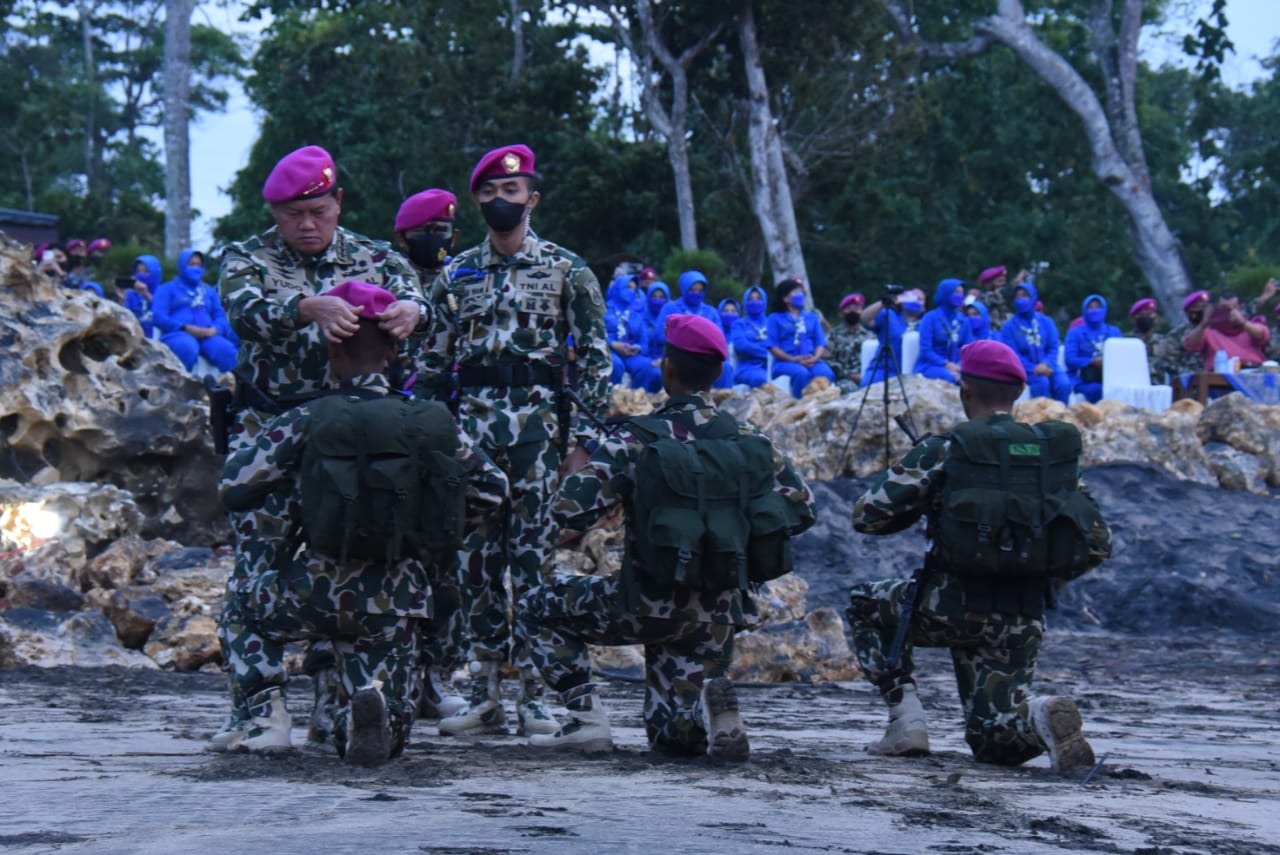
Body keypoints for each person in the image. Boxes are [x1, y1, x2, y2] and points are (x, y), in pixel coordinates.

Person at [216, 280, 508, 762]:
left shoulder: (309, 416)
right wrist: (433, 532)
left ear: (332, 349)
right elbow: (493, 488)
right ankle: (372, 716)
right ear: (394, 351)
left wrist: (296, 495)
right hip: (400, 596)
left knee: (242, 607)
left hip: (318, 584)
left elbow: (235, 485)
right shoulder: (433, 420)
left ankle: (263, 718)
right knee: (384, 700)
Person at [515, 314, 817, 757]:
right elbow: (802, 508)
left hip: (645, 603)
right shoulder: (752, 440)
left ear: (666, 369)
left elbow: (568, 508)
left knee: (535, 608)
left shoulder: (634, 438)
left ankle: (585, 718)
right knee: (672, 739)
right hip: (719, 613)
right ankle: (711, 715)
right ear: (718, 374)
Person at [214, 144, 429, 750]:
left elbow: (422, 301)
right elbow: (243, 312)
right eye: (292, 214)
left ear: (338, 201)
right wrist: (305, 308)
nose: (307, 225)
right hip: (274, 434)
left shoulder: (376, 257)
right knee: (258, 570)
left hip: (359, 441)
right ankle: (260, 714)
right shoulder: (246, 257)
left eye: (318, 210)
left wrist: (415, 310)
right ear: (275, 215)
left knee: (352, 565)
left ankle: (339, 709)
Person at [412, 143, 610, 738]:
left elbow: (595, 361)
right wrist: (431, 441)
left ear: (532, 199)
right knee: (474, 565)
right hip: (471, 441)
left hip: (538, 437)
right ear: (477, 201)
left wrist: (583, 445)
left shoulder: (567, 270)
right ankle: (484, 692)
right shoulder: (456, 274)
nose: (502, 201)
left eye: (512, 192)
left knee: (532, 568)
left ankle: (534, 696)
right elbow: (430, 365)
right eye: (491, 194)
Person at [847, 339, 1111, 773]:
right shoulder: (1049, 458)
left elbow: (867, 516)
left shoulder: (948, 447)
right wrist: (1045, 577)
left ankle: (906, 721)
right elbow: (1098, 542)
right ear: (1019, 393)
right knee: (994, 739)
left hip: (949, 603)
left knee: (864, 602)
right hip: (1022, 615)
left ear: (965, 389)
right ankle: (1038, 715)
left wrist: (931, 504)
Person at [391, 187, 471, 719]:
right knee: (394, 560)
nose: (437, 243)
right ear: (402, 238)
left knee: (448, 565)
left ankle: (436, 677)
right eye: (427, 234)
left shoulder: (464, 285)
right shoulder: (381, 283)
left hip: (446, 444)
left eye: (444, 233)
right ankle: (392, 675)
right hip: (391, 446)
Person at [152, 250, 240, 375]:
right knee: (186, 348)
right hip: (179, 333)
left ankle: (234, 389)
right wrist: (185, 327)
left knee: (226, 350)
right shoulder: (166, 289)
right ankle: (181, 388)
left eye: (199, 265)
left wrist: (215, 329)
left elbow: (220, 315)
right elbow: (158, 316)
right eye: (191, 264)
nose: (195, 268)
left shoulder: (209, 291)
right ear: (182, 265)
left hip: (208, 334)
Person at [657, 269, 731, 389]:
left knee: (725, 368)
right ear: (684, 289)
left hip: (706, 356)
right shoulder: (671, 308)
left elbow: (720, 338)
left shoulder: (710, 311)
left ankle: (723, 399)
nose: (696, 293)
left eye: (700, 290)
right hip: (680, 354)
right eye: (692, 289)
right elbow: (660, 334)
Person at [1000, 280, 1071, 404]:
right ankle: (1040, 420)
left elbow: (1053, 347)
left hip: (1049, 366)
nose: (1021, 299)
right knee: (1041, 383)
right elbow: (1012, 353)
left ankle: (1061, 418)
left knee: (1063, 384)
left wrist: (1046, 364)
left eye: (1025, 295)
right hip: (1025, 370)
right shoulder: (1008, 327)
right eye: (1018, 296)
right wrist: (1033, 368)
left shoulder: (1046, 322)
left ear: (1033, 298)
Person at [768, 277, 835, 398]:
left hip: (812, 360)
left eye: (802, 292)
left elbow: (820, 343)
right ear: (785, 298)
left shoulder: (812, 317)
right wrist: (792, 359)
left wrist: (815, 358)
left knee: (825, 373)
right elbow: (772, 346)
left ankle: (823, 406)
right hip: (786, 361)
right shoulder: (775, 318)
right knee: (801, 374)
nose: (801, 294)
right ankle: (799, 407)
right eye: (797, 292)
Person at [1181, 290, 1270, 371]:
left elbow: (1262, 335)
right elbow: (1191, 345)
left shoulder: (1251, 325)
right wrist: (1203, 324)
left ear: (1241, 307)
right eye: (1223, 308)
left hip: (1252, 371)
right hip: (1221, 376)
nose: (1226, 312)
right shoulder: (1208, 330)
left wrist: (1243, 322)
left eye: (1231, 309)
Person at [1063, 294, 1121, 403]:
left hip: (1109, 377)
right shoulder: (1075, 333)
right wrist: (1091, 362)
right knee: (1095, 389)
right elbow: (1070, 359)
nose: (1094, 310)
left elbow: (1120, 356)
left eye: (1098, 307)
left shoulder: (1114, 332)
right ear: (1084, 310)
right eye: (1090, 307)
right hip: (1082, 379)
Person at [914, 278, 972, 385]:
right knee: (951, 379)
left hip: (958, 365)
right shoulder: (930, 318)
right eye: (956, 292)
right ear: (946, 293)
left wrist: (959, 366)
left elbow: (968, 349)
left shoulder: (964, 321)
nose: (960, 296)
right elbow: (926, 350)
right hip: (930, 365)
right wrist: (946, 365)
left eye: (962, 293)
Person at [623, 281, 670, 393]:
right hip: (644, 357)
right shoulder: (639, 317)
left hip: (664, 359)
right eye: (654, 296)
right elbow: (640, 341)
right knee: (651, 372)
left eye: (662, 297)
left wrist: (663, 360)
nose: (657, 300)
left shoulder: (671, 318)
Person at [859, 288, 909, 386]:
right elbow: (864, 319)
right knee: (867, 386)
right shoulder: (889, 315)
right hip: (883, 368)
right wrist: (884, 302)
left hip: (909, 370)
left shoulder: (927, 321)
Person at [826, 293, 873, 393]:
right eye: (849, 309)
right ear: (841, 313)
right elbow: (828, 361)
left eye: (857, 309)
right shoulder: (833, 336)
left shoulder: (870, 336)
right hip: (845, 380)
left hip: (868, 376)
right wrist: (849, 375)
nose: (853, 312)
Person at [728, 285, 772, 389]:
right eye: (751, 299)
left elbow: (778, 344)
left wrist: (754, 348)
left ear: (764, 301)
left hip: (771, 366)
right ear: (745, 302)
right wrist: (767, 354)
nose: (755, 302)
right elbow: (742, 346)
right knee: (762, 379)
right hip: (747, 368)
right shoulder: (738, 324)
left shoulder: (772, 323)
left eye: (759, 298)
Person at [605, 274, 642, 384]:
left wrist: (637, 348)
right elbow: (596, 334)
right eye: (628, 287)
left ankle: (639, 399)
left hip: (630, 354)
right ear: (618, 288)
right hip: (608, 351)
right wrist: (612, 344)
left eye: (634, 289)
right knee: (616, 365)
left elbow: (643, 342)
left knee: (647, 368)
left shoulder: (636, 315)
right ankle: (610, 398)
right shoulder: (604, 310)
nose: (631, 291)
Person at [1127, 298, 1163, 384]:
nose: (1145, 318)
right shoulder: (1126, 342)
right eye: (1141, 315)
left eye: (1149, 314)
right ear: (1133, 320)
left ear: (1156, 318)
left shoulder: (1164, 341)